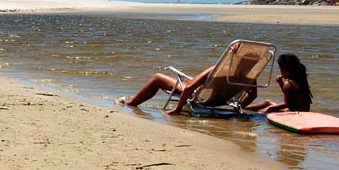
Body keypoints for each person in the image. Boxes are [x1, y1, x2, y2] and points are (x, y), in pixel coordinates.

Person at [120, 46, 260, 115]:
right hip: (220, 101)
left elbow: (189, 88)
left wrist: (177, 108)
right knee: (190, 81)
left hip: (197, 96)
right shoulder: (249, 78)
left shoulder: (217, 70)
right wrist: (237, 108)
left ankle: (131, 103)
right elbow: (253, 95)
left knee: (158, 78)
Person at [245, 53, 313, 113]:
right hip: (303, 111)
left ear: (286, 69)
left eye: (281, 69)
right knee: (267, 102)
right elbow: (290, 98)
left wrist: (270, 108)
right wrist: (280, 83)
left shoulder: (288, 84)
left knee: (266, 107)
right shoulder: (300, 79)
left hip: (294, 112)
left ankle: (243, 108)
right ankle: (245, 109)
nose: (280, 71)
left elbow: (287, 104)